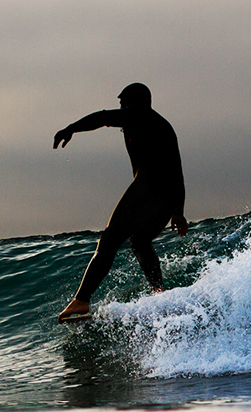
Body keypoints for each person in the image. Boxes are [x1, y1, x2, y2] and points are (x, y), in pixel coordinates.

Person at [53, 83, 188, 322]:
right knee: (140, 240)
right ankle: (159, 292)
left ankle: (81, 300)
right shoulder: (162, 125)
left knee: (111, 238)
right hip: (166, 196)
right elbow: (178, 171)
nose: (120, 108)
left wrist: (71, 128)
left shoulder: (139, 116)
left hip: (149, 187)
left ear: (132, 103)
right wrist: (178, 211)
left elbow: (102, 118)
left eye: (122, 103)